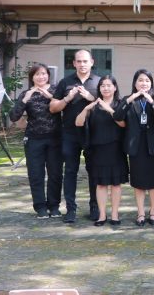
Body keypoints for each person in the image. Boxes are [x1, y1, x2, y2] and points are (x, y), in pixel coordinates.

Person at [50, 49, 101, 223]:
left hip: (93, 133)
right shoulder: (65, 82)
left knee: (94, 171)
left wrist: (91, 97)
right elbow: (53, 108)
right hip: (70, 133)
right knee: (70, 171)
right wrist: (67, 98)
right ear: (74, 64)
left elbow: (109, 106)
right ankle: (71, 209)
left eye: (85, 61)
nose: (82, 64)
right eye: (79, 61)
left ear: (92, 62)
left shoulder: (100, 82)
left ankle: (95, 207)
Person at [9, 63, 62, 219]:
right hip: (33, 139)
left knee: (55, 174)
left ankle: (54, 206)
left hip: (55, 139)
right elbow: (14, 117)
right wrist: (25, 99)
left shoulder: (56, 90)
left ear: (48, 75)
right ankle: (40, 207)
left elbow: (65, 108)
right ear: (32, 77)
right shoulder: (26, 93)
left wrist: (50, 97)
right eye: (37, 74)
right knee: (35, 174)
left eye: (44, 73)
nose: (41, 77)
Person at [75, 75, 128, 226]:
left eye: (109, 85)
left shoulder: (120, 104)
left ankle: (115, 215)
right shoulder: (93, 105)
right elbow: (78, 123)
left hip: (116, 149)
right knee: (100, 184)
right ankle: (102, 215)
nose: (105, 88)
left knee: (116, 184)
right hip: (97, 149)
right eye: (102, 85)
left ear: (115, 87)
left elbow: (123, 124)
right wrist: (85, 109)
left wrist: (109, 109)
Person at [113, 69, 154, 227]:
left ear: (151, 84)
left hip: (153, 145)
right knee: (138, 181)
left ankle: (153, 212)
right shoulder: (128, 100)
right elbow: (117, 116)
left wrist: (151, 102)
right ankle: (141, 213)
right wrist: (130, 100)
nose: (144, 83)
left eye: (147, 81)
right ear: (135, 83)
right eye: (140, 80)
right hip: (135, 145)